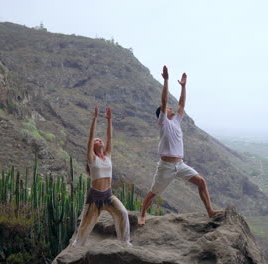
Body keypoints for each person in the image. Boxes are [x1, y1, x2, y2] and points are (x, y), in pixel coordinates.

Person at [138, 65, 222, 226]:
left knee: (201, 182)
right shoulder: (163, 122)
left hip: (180, 165)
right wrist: (166, 80)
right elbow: (163, 101)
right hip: (166, 167)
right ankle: (142, 215)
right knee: (153, 193)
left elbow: (182, 105)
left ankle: (210, 211)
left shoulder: (176, 121)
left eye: (170, 108)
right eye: (168, 108)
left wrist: (183, 87)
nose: (171, 108)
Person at [72, 106, 131, 247]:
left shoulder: (108, 156)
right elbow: (90, 137)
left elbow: (110, 137)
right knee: (85, 227)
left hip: (108, 196)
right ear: (92, 146)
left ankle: (125, 243)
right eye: (97, 140)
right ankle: (76, 247)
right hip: (95, 198)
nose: (99, 140)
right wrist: (95, 118)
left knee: (123, 213)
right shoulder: (92, 158)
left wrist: (109, 120)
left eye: (100, 140)